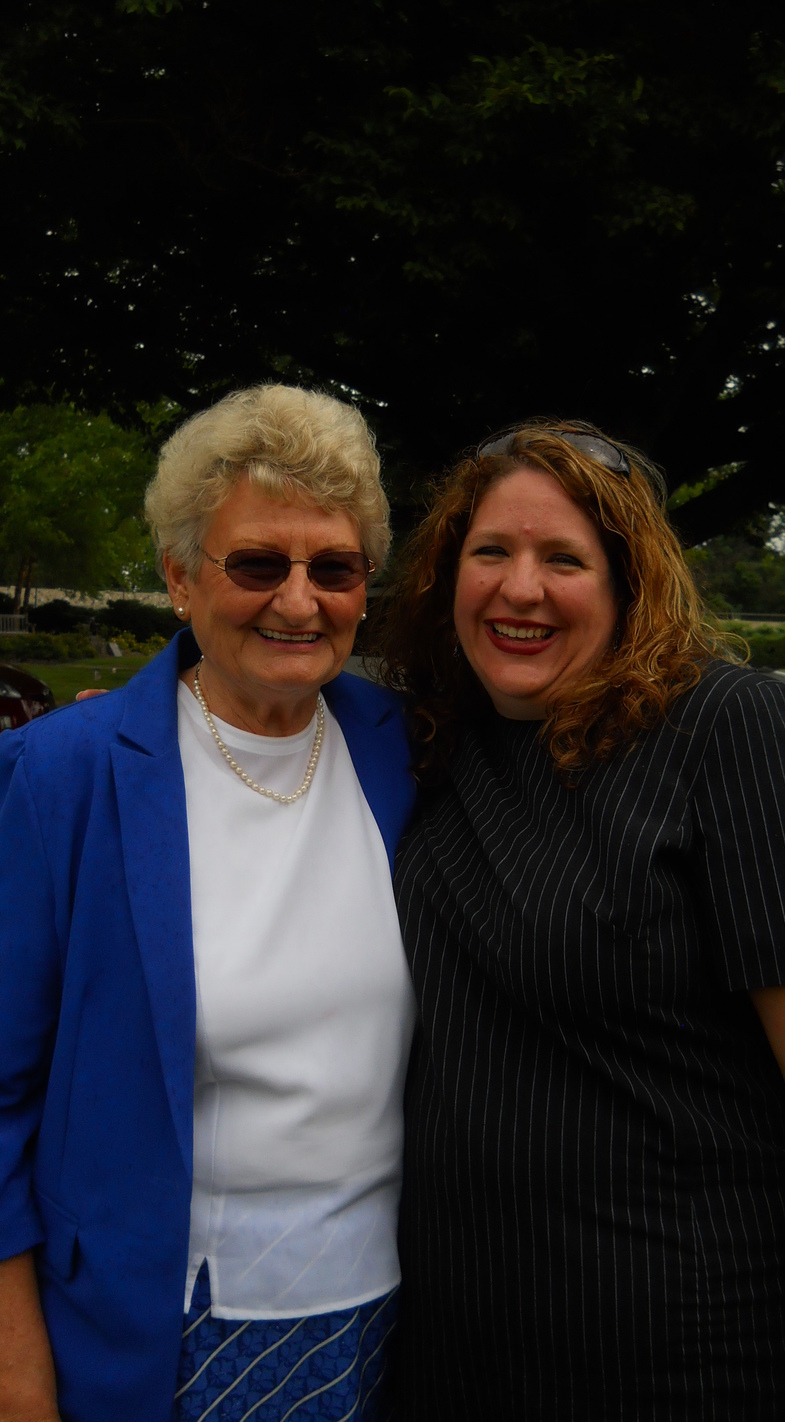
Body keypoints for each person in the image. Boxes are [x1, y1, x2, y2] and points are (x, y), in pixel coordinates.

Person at [0, 383, 417, 1422]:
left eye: (333, 568)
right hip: (168, 1331)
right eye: (256, 564)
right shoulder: (60, 777)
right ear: (181, 579)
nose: (297, 599)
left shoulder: (407, 748)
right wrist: (16, 1378)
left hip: (398, 1316)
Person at [375, 420, 785, 1420]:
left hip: (674, 1353)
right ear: (446, 573)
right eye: (490, 552)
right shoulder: (436, 738)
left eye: (562, 559)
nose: (519, 589)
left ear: (626, 583)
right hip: (450, 1354)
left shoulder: (723, 731)